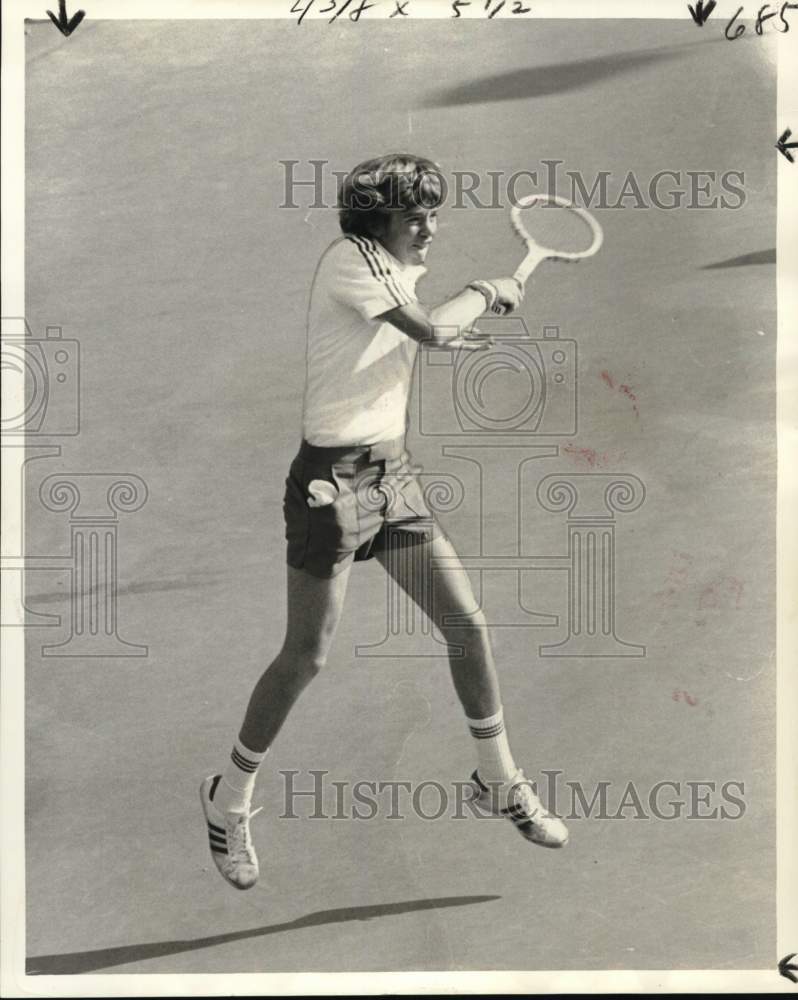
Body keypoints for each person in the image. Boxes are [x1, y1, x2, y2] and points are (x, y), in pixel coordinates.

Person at [201, 152, 568, 891]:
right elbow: (433, 333)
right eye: (415, 216)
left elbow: (433, 324)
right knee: (306, 655)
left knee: (467, 624)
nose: (429, 227)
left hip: (392, 475)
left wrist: (474, 303)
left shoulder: (392, 263)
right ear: (378, 223)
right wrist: (488, 290)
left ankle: (497, 778)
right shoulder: (350, 260)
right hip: (329, 487)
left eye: (433, 213)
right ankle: (228, 799)